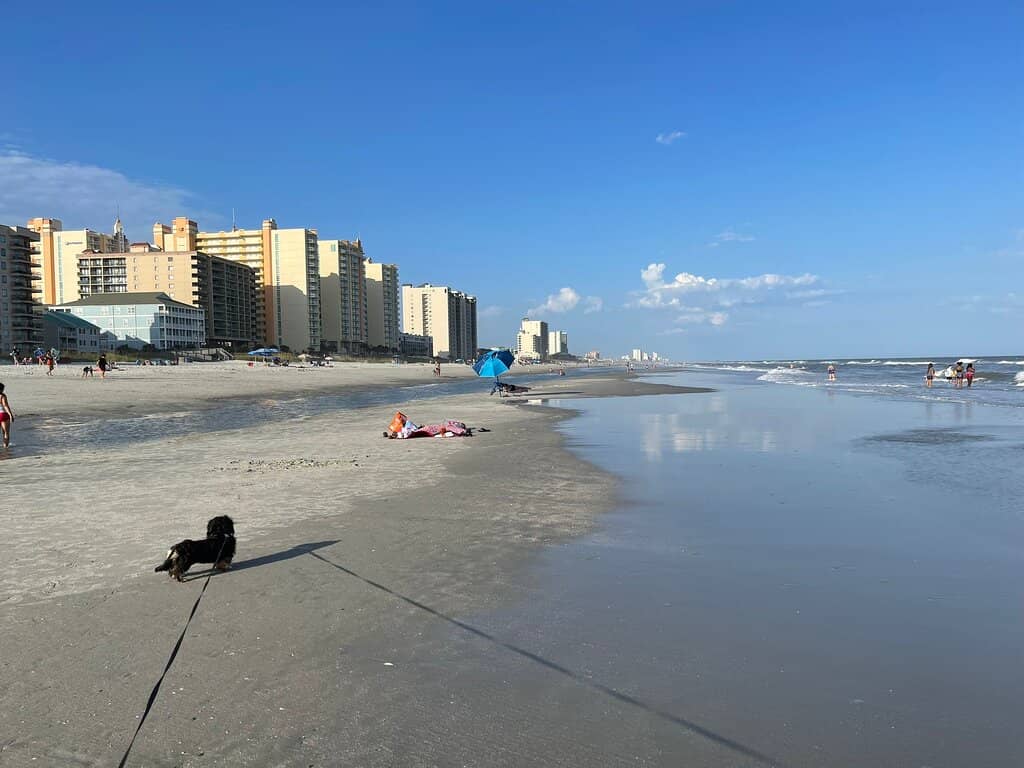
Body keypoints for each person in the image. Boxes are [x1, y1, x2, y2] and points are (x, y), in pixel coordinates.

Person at [0, 382, 13, 448]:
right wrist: (10, 415)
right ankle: (5, 447)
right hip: (3, 414)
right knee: (5, 433)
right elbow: (5, 406)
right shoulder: (2, 396)